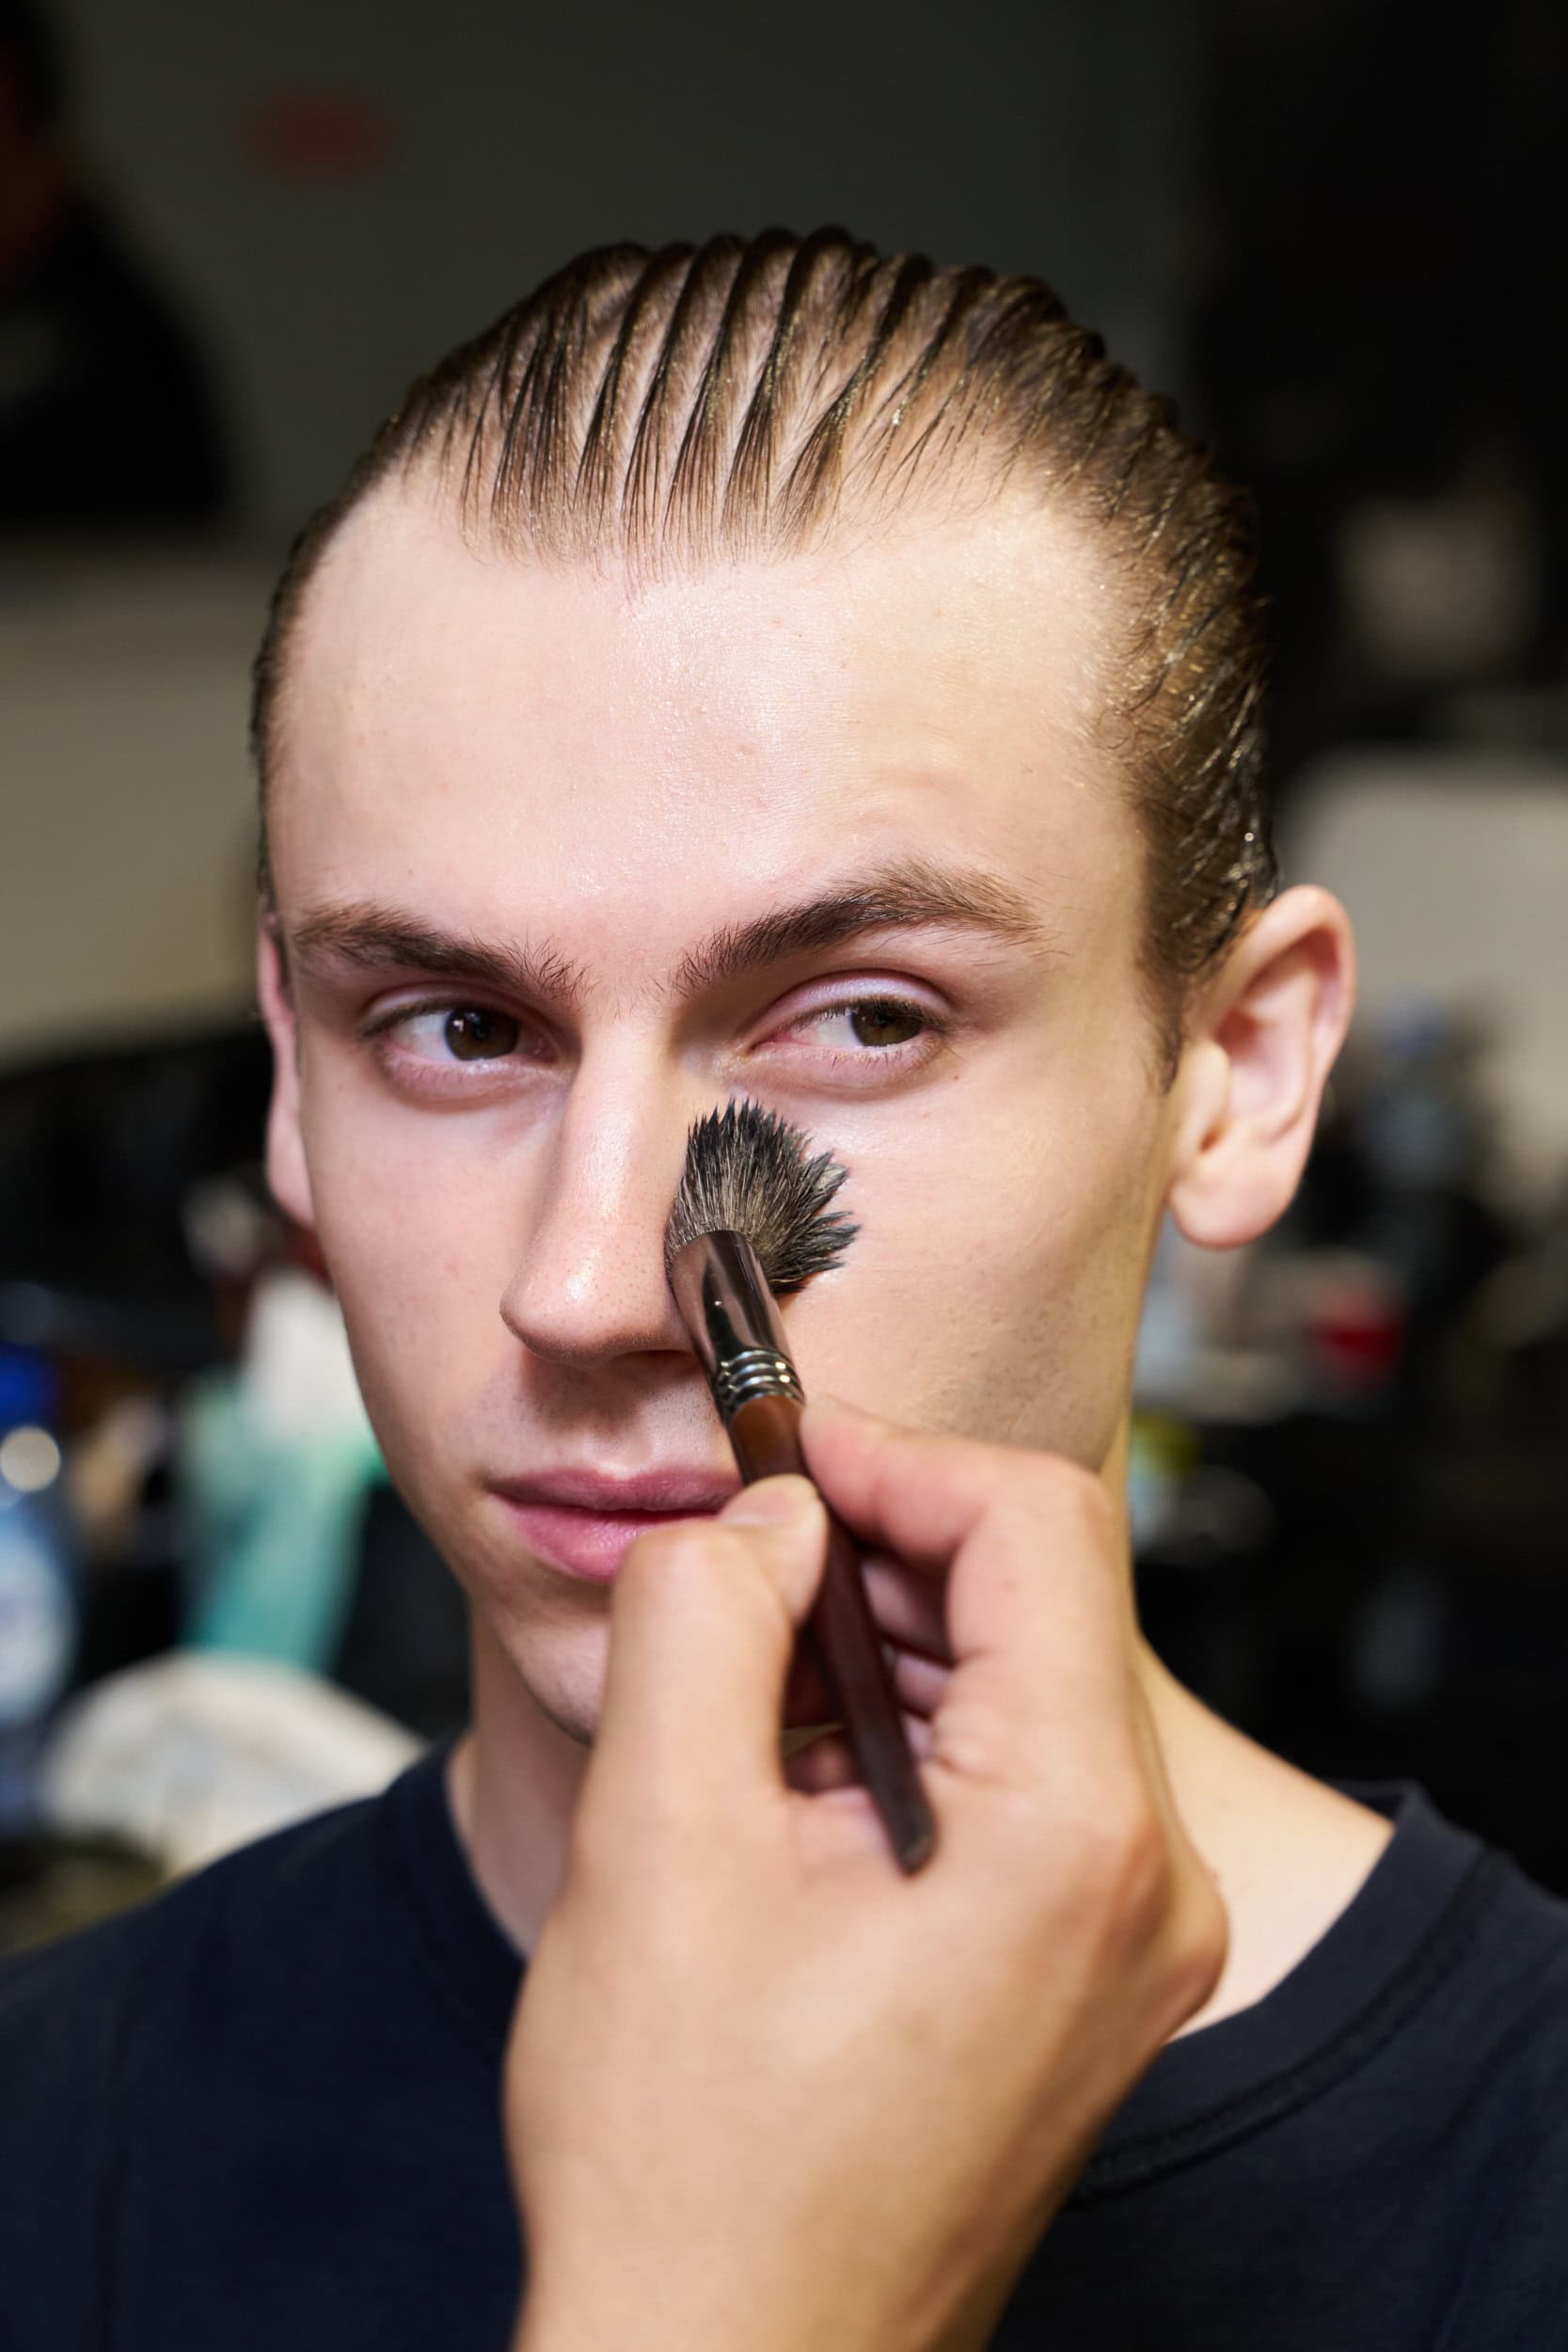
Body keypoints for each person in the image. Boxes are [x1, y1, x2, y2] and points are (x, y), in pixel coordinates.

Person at [4, 228, 1567, 2349]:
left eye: (858, 1017)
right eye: (457, 1027)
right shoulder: (52, 2151)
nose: (586, 1283)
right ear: (289, 1078)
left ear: (1240, 1072)